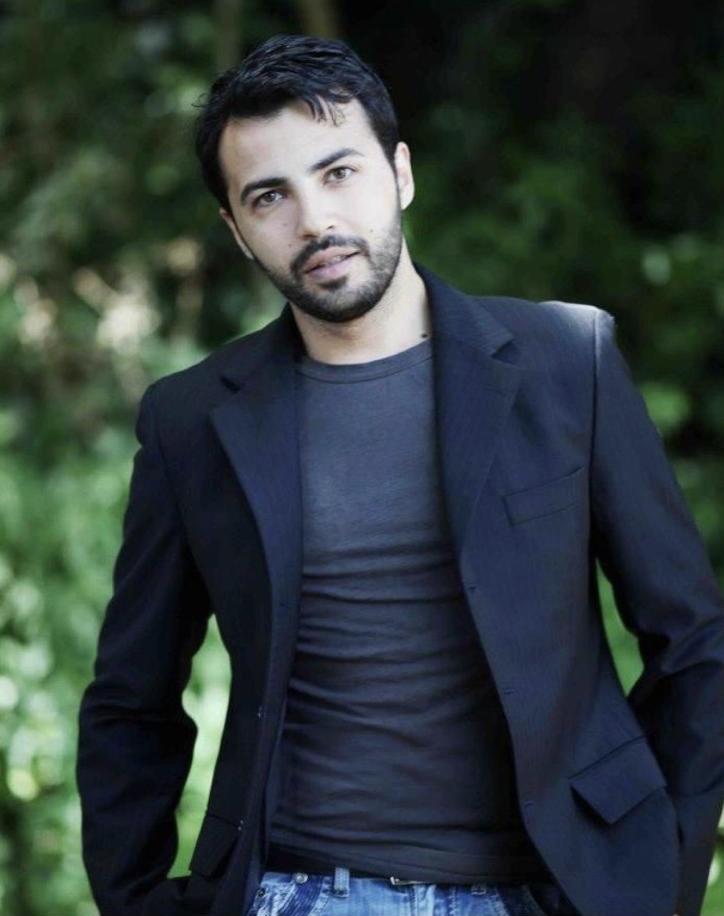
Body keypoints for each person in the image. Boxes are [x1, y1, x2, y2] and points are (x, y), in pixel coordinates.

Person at [77, 34, 724, 916]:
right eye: (270, 196)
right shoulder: (190, 421)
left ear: (401, 173)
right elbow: (132, 698)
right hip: (299, 891)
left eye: (339, 172)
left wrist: (660, 880)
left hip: (541, 892)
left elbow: (694, 645)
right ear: (236, 230)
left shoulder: (568, 362)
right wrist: (137, 900)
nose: (314, 221)